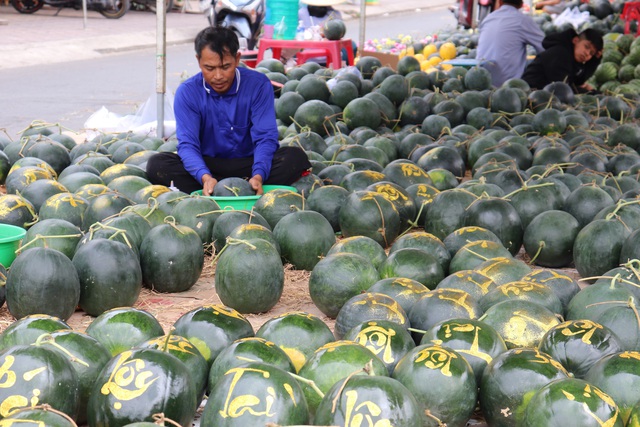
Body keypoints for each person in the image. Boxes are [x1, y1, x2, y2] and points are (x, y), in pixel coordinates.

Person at [146, 26, 311, 196]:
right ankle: (218, 188)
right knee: (157, 165)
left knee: (295, 157)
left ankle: (248, 186)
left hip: (249, 163)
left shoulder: (258, 85)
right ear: (198, 61)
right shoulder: (188, 92)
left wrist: (259, 174)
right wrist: (204, 176)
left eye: (225, 67)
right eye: (209, 68)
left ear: (237, 58)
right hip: (208, 166)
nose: (218, 76)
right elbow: (188, 145)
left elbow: (265, 138)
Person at [476, 0, 545, 87]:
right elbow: (545, 47)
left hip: (479, 83)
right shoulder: (522, 20)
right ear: (521, 4)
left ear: (500, 2)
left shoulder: (488, 18)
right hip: (507, 88)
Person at [521, 28, 603, 93]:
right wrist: (590, 93)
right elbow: (562, 90)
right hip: (529, 93)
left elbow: (577, 82)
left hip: (544, 94)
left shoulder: (573, 58)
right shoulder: (560, 54)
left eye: (591, 53)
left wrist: (595, 60)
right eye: (586, 47)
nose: (587, 53)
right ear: (576, 40)